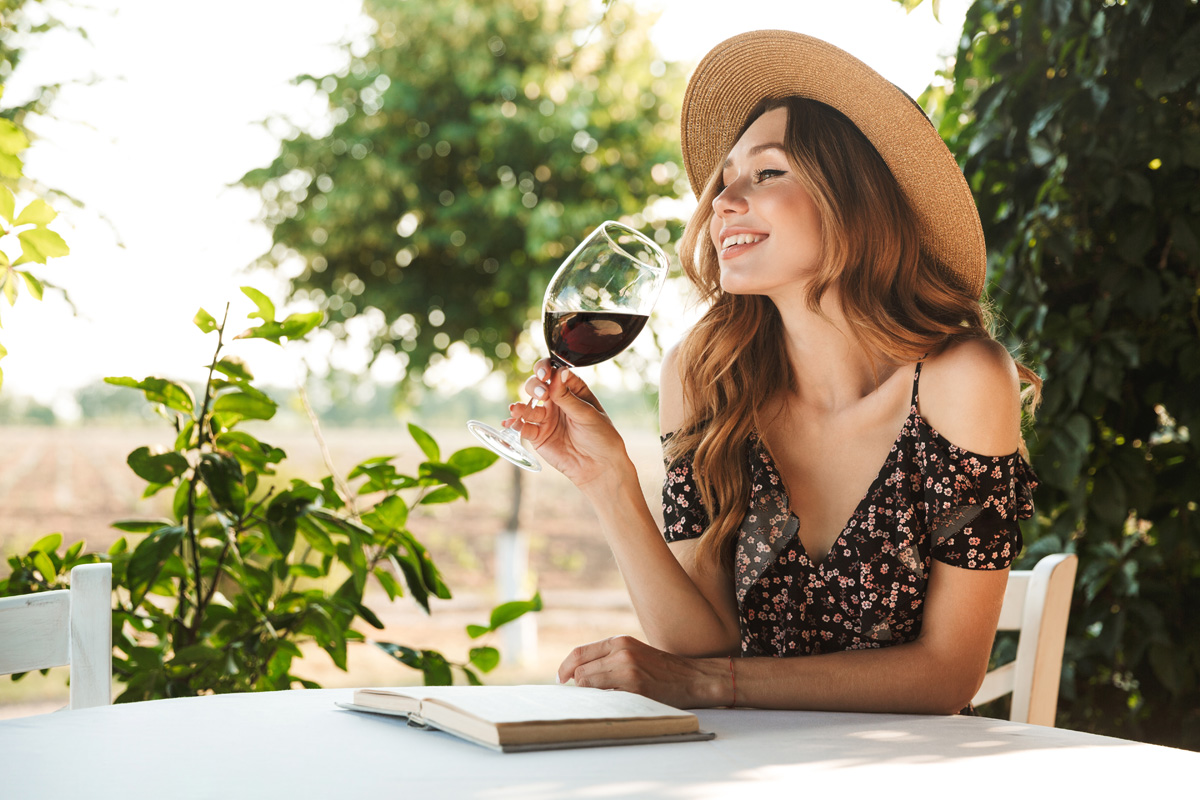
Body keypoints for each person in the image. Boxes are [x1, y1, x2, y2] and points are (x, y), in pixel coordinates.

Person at [503, 30, 1040, 715]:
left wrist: (712, 686)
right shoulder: (705, 377)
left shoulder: (958, 379)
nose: (721, 202)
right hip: (741, 767)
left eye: (767, 172)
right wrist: (606, 481)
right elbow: (703, 640)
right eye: (724, 180)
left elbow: (948, 676)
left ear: (855, 197)